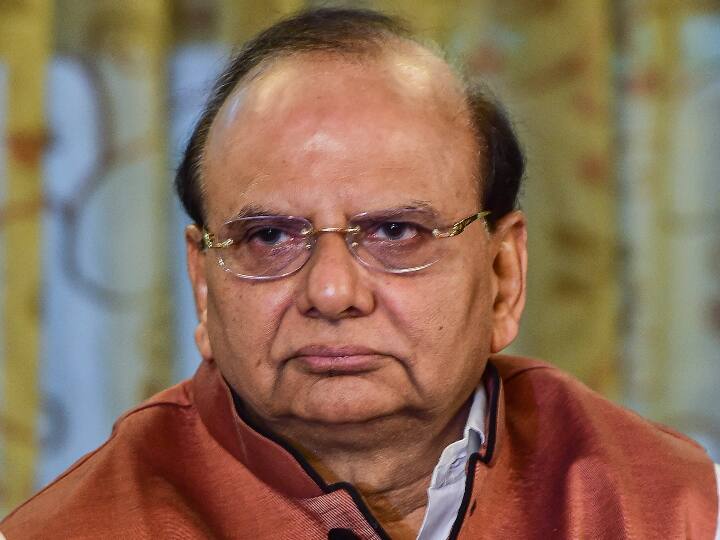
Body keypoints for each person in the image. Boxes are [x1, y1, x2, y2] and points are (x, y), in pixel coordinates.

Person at [2, 7, 718, 540]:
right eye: (269, 237)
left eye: (396, 232)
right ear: (203, 285)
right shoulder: (73, 530)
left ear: (503, 275)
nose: (331, 292)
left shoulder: (680, 510)